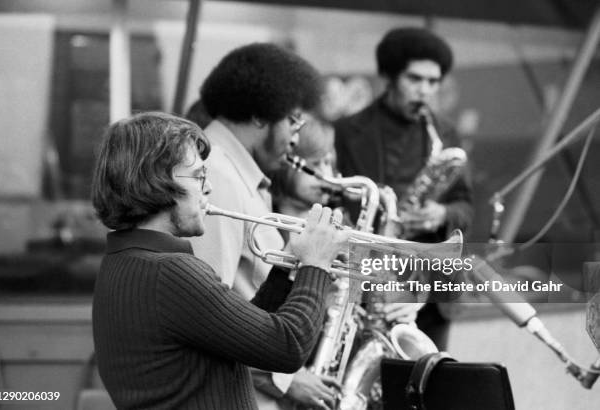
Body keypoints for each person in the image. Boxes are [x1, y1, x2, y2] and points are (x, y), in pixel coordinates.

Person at [91, 111, 348, 410]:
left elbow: (244, 340)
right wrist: (316, 265)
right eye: (199, 176)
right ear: (157, 182)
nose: (208, 188)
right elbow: (288, 347)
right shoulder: (172, 272)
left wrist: (287, 267)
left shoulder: (124, 261)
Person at [188, 44, 339, 409]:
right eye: (293, 120)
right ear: (259, 116)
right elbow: (208, 322)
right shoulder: (218, 177)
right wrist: (284, 380)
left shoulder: (237, 173)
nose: (295, 138)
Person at [334, 27, 473, 350]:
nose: (425, 91)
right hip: (371, 283)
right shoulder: (347, 131)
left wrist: (441, 213)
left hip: (432, 288)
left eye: (433, 82)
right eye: (415, 79)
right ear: (390, 77)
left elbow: (465, 205)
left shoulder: (445, 133)